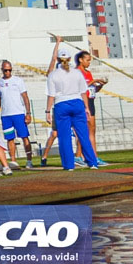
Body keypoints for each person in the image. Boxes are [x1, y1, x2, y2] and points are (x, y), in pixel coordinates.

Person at [45, 37, 99, 171]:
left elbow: (51, 95)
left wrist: (47, 111)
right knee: (83, 134)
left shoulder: (53, 75)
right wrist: (86, 108)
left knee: (64, 137)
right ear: (70, 59)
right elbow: (83, 92)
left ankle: (69, 165)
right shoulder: (77, 73)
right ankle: (92, 163)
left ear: (58, 59)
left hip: (61, 105)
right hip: (77, 103)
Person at [75, 50, 108, 167]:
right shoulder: (76, 72)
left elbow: (91, 88)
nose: (89, 62)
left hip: (91, 101)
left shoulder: (88, 73)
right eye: (87, 60)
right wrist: (94, 81)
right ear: (81, 60)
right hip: (82, 102)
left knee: (92, 130)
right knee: (83, 130)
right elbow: (80, 87)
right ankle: (78, 156)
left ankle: (94, 156)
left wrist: (99, 85)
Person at [0, 60, 34, 169]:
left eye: (9, 70)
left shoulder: (18, 81)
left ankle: (29, 161)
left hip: (18, 113)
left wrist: (28, 113)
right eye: (5, 70)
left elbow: (25, 97)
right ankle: (13, 161)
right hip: (6, 115)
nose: (8, 72)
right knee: (10, 139)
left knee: (24, 137)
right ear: (2, 70)